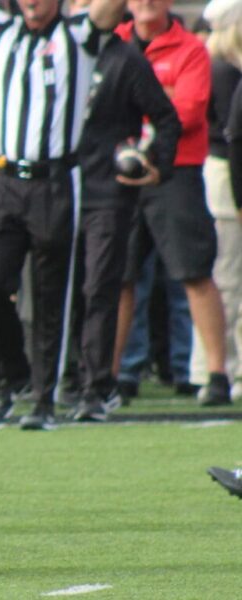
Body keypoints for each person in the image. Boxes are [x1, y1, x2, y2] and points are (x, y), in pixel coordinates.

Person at [0, 0, 127, 430]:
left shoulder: (77, 34)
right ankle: (16, 373)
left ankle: (44, 399)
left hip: (54, 180)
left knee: (49, 296)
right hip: (4, 180)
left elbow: (111, 8)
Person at [111, 0, 230, 407]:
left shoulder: (190, 48)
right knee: (117, 276)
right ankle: (107, 377)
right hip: (122, 172)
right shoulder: (114, 42)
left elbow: (191, 109)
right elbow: (103, 102)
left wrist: (137, 115)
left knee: (194, 271)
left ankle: (216, 373)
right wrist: (160, 97)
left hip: (174, 170)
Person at [65, 0, 180, 420]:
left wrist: (154, 165)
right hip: (58, 189)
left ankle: (97, 384)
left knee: (99, 287)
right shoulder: (58, 51)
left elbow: (167, 118)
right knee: (52, 289)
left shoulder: (125, 57)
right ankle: (52, 379)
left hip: (106, 192)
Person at [188, 0, 242, 402]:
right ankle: (223, 369)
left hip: (223, 174)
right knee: (227, 279)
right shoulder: (223, 69)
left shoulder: (219, 65)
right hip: (226, 178)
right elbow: (233, 137)